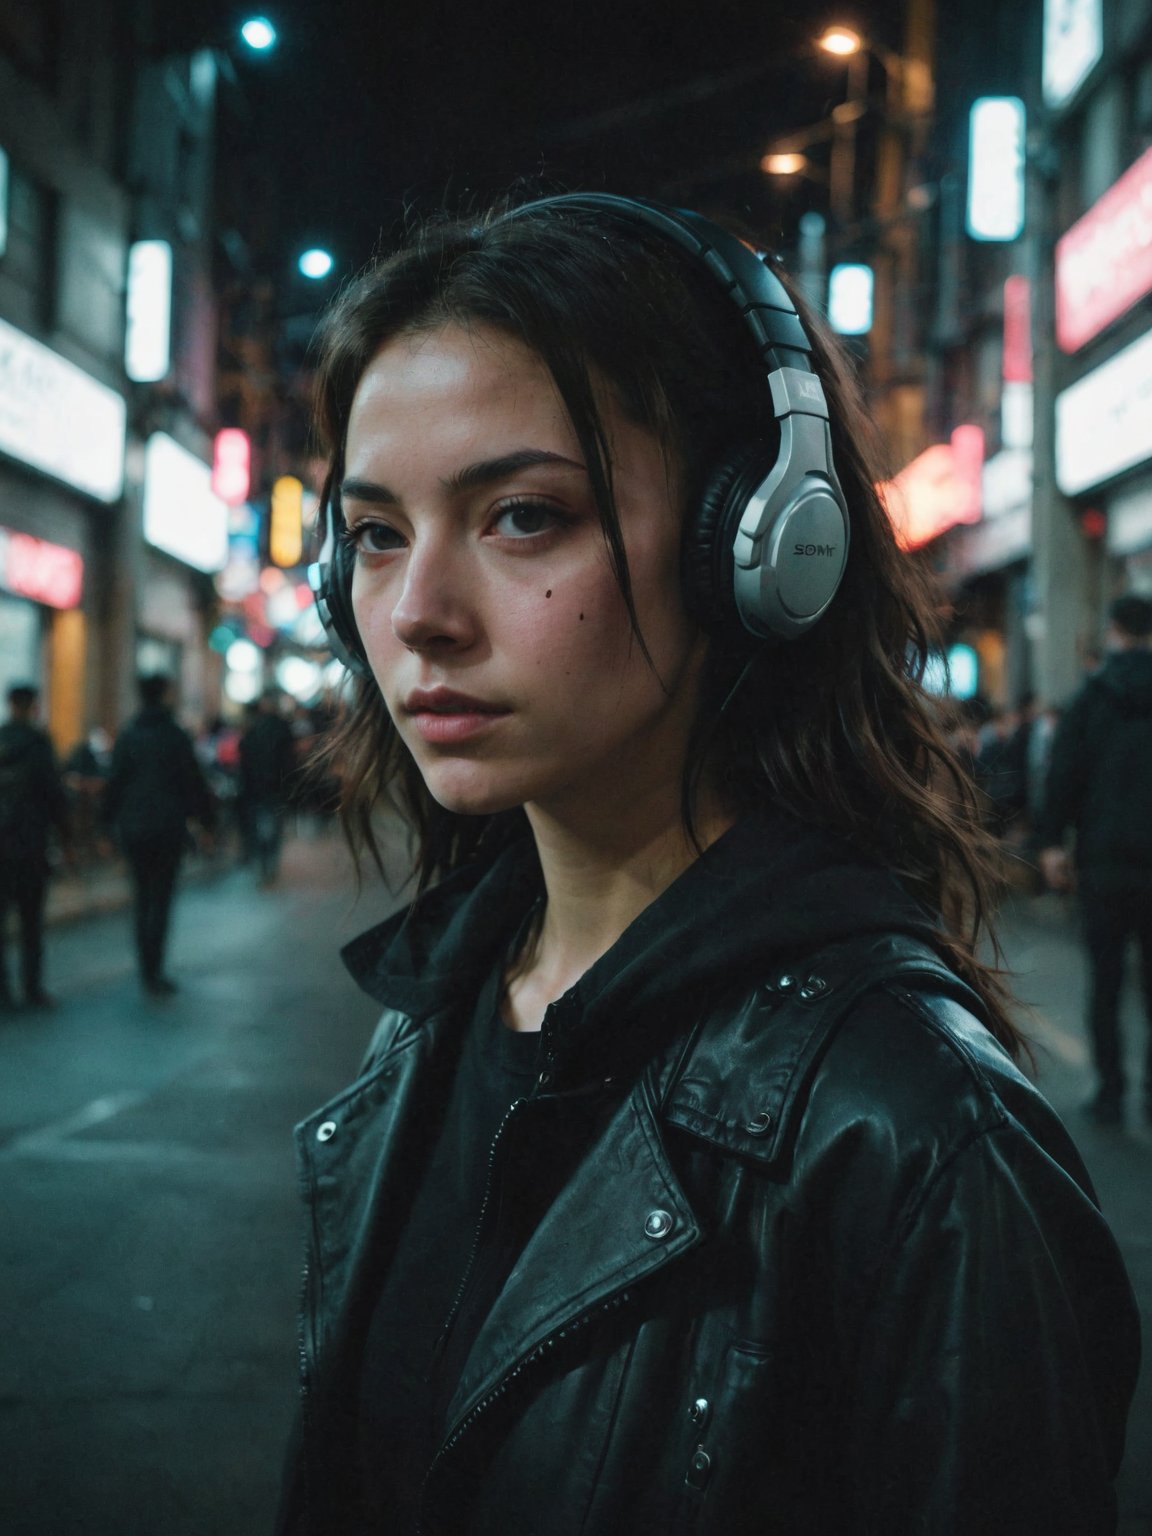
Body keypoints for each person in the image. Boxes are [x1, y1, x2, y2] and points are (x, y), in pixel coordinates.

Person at [277, 196, 1139, 1536]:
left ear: (758, 548)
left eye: (519, 516)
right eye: (379, 533)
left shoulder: (912, 1136)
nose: (415, 616)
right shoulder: (429, 1017)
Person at [1037, 593, 1152, 1125]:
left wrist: (1051, 843)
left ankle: (1110, 1090)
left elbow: (1064, 775)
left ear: (1114, 632)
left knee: (1105, 982)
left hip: (1105, 862)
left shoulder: (1093, 699)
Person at [102, 674, 214, 996]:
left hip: (134, 827)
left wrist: (106, 826)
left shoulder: (128, 735)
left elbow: (115, 784)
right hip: (167, 827)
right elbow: (192, 782)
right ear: (164, 694)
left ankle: (144, 966)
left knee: (141, 897)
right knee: (161, 898)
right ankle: (155, 971)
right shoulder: (175, 735)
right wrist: (206, 823)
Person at [0, 684, 69, 1010]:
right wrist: (65, 838)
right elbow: (55, 796)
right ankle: (32, 987)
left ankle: (3, 990)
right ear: (34, 706)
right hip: (31, 843)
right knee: (31, 921)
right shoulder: (40, 744)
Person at [237, 690, 298, 883]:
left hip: (257, 787)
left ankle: (264, 861)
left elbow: (244, 757)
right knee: (274, 825)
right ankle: (270, 862)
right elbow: (290, 760)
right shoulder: (282, 728)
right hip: (276, 786)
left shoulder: (253, 728)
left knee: (261, 824)